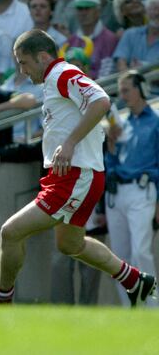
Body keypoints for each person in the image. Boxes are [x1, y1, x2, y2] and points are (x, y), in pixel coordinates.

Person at [0, 30, 157, 307]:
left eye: (24, 63)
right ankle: (134, 279)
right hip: (69, 176)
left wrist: (71, 143)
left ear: (42, 57)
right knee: (70, 245)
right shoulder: (53, 80)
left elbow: (101, 101)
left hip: (76, 176)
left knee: (10, 232)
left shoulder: (62, 73)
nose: (22, 71)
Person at [104, 71, 159, 307]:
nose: (123, 95)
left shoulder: (156, 121)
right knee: (119, 258)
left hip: (143, 190)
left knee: (140, 252)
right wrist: (111, 144)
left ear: (141, 89)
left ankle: (153, 309)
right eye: (120, 91)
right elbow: (111, 162)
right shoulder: (120, 123)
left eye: (127, 90)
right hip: (116, 194)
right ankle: (130, 312)